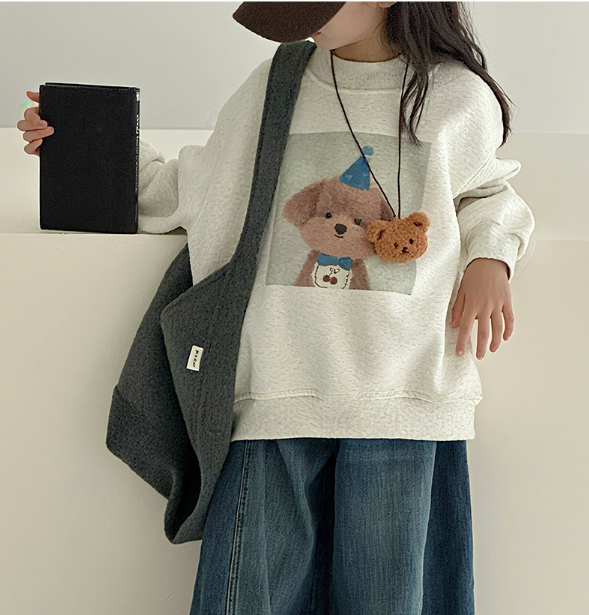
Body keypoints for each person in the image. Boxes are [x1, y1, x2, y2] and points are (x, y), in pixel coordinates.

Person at [17, 2, 535, 613]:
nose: (302, 17)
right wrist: (85, 149)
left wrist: (491, 258)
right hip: (274, 392)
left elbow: (487, 192)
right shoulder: (279, 82)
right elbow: (201, 187)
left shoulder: (455, 96)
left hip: (402, 398)